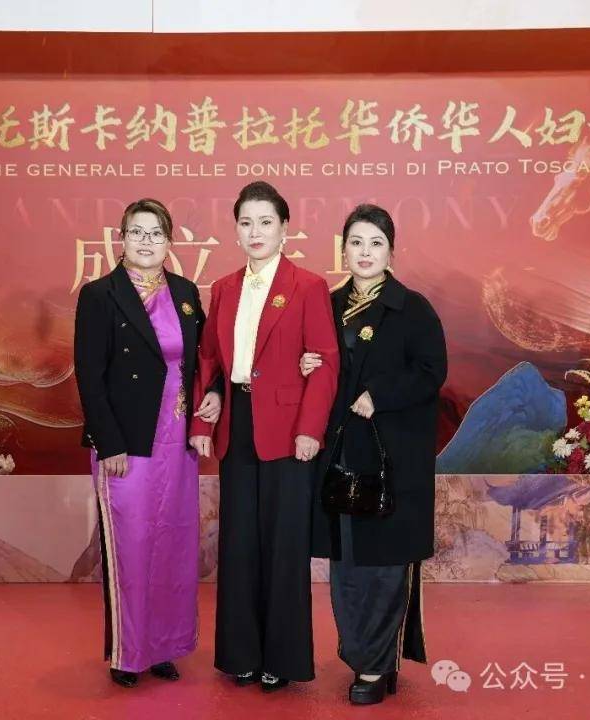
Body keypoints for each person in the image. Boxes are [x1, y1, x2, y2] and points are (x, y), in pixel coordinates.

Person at [189, 181, 339, 692]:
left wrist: (310, 430)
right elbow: (209, 359)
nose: (255, 232)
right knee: (239, 544)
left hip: (289, 432)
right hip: (237, 426)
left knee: (284, 547)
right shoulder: (224, 288)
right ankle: (241, 656)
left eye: (265, 222)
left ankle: (281, 658)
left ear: (284, 229)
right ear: (235, 230)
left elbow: (325, 364)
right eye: (246, 223)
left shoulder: (308, 285)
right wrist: (203, 420)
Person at [302, 203, 447, 705]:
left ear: (391, 252)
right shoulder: (326, 305)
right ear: (343, 249)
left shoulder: (413, 309)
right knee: (346, 562)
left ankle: (376, 664)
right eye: (356, 243)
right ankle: (361, 654)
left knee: (385, 564)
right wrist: (306, 364)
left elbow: (431, 372)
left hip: (392, 461)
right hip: (342, 459)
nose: (365, 253)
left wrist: (379, 395)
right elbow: (318, 368)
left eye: (376, 243)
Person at [74, 198, 220, 688]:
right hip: (127, 442)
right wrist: (108, 442)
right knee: (132, 545)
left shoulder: (184, 292)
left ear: (169, 241)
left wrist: (215, 395)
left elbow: (206, 360)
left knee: (173, 543)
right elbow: (90, 377)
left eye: (156, 233)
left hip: (176, 440)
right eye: (136, 232)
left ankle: (164, 647)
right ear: (121, 238)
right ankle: (128, 651)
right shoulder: (100, 295)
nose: (146, 241)